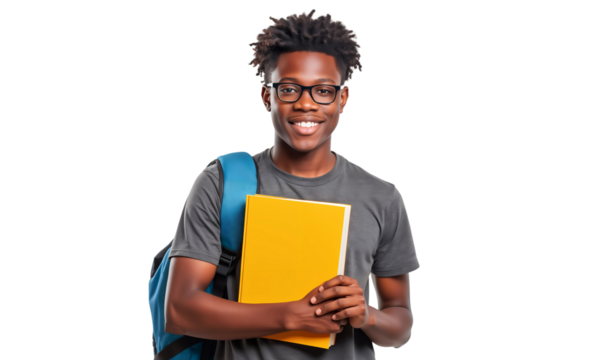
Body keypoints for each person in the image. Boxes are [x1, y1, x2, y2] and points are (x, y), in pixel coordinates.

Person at [164, 8, 421, 359]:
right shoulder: (221, 182)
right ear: (266, 97)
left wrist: (366, 315)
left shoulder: (382, 197)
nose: (305, 103)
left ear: (342, 99)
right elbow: (179, 312)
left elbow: (400, 326)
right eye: (289, 88)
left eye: (323, 91)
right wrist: (291, 316)